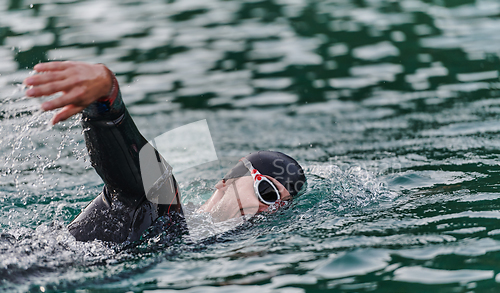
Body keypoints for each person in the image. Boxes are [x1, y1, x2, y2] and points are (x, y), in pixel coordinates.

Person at [23, 61, 306, 243]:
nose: (271, 209)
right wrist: (106, 102)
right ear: (227, 180)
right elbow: (145, 176)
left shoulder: (197, 242)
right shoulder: (166, 207)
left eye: (282, 206)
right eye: (267, 192)